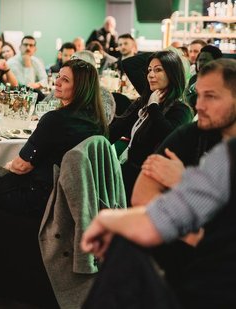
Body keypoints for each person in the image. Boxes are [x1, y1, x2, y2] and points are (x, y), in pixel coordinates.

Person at [80, 138, 235, 308]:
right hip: (201, 276)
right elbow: (143, 195)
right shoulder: (197, 135)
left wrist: (105, 218)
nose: (199, 108)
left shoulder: (227, 155)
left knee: (127, 246)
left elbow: (150, 226)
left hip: (210, 290)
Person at [0, 58, 108, 229]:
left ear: (81, 87)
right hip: (74, 195)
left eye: (65, 80)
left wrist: (8, 165)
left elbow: (21, 166)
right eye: (59, 76)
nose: (57, 82)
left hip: (43, 197)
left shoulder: (55, 120)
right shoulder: (97, 122)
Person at [132, 58, 236, 207]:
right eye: (199, 95)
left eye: (210, 96)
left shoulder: (181, 112)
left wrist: (183, 180)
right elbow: (140, 196)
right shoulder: (194, 132)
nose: (199, 106)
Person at [109, 50, 193, 200]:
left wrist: (154, 107)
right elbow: (118, 128)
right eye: (149, 70)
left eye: (158, 70)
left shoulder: (181, 109)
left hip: (151, 183)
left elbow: (168, 138)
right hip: (130, 173)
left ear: (172, 73)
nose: (151, 75)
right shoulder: (145, 101)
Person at [183, 45, 222, 112]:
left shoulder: (223, 82)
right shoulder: (194, 79)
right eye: (200, 60)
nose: (202, 63)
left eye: (206, 60)